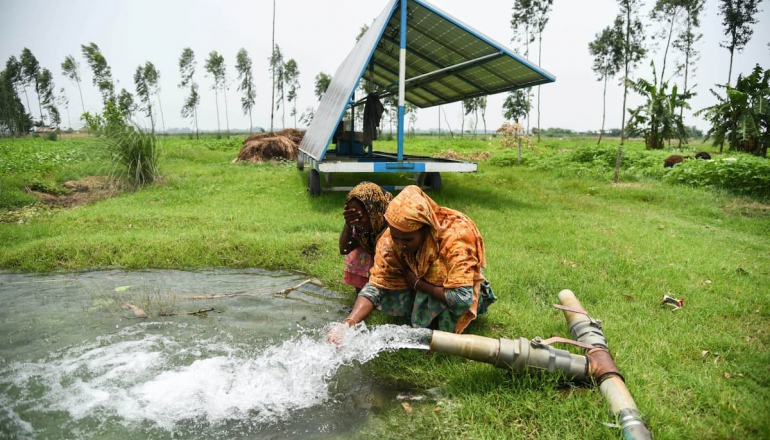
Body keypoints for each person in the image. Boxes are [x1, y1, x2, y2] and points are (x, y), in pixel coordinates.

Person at [337, 185, 496, 334]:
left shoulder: (457, 237)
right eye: (396, 237)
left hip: (455, 292)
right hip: (419, 282)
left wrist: (419, 284)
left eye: (407, 240)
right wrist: (349, 322)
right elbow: (376, 286)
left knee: (445, 317)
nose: (400, 245)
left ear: (426, 230)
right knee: (387, 289)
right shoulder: (388, 242)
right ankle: (418, 311)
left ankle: (441, 325)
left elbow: (462, 299)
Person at [339, 182, 393, 293]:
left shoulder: (393, 224)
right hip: (367, 270)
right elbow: (343, 249)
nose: (356, 221)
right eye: (352, 215)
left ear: (374, 210)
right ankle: (363, 296)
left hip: (391, 274)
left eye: (360, 215)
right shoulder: (358, 226)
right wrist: (348, 224)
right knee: (359, 255)